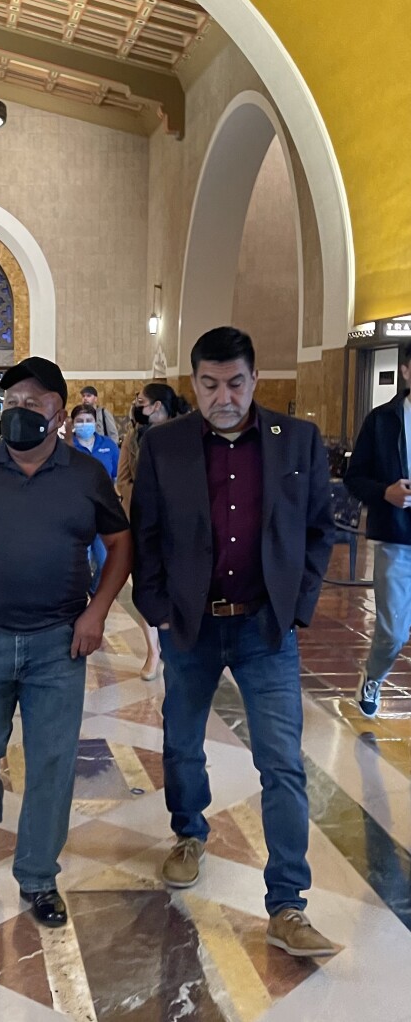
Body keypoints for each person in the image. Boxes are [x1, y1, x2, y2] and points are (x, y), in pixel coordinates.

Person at [131, 326, 335, 958]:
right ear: (195, 384)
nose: (225, 397)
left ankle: (288, 904)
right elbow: (146, 535)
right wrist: (159, 608)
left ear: (256, 378)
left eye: (237, 383)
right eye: (212, 385)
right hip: (192, 626)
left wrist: (297, 606)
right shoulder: (164, 445)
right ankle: (189, 833)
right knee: (182, 743)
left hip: (264, 628)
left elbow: (318, 530)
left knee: (282, 763)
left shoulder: (296, 440)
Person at [0, 357, 131, 928]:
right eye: (8, 403)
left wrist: (97, 612)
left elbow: (121, 542)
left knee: (53, 761)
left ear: (60, 415)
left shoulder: (85, 474)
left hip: (58, 642)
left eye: (31, 405)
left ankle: (37, 874)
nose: (17, 412)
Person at [344, 342, 411, 717]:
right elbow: (355, 478)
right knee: (393, 631)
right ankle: (373, 675)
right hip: (397, 540)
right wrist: (385, 493)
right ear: (405, 370)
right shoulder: (382, 420)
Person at [122, 384, 193, 680]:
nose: (139, 407)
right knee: (148, 583)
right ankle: (153, 652)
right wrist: (140, 504)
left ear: (160, 405)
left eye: (144, 402)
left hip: (183, 525)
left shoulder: (188, 433)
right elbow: (123, 477)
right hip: (146, 521)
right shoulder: (134, 435)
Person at [70, 403, 120, 592]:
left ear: (95, 422)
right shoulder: (68, 447)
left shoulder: (107, 445)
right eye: (80, 421)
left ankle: (94, 589)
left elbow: (115, 475)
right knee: (80, 561)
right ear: (73, 424)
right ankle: (79, 597)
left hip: (102, 512)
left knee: (105, 560)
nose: (84, 424)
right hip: (77, 511)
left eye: (88, 420)